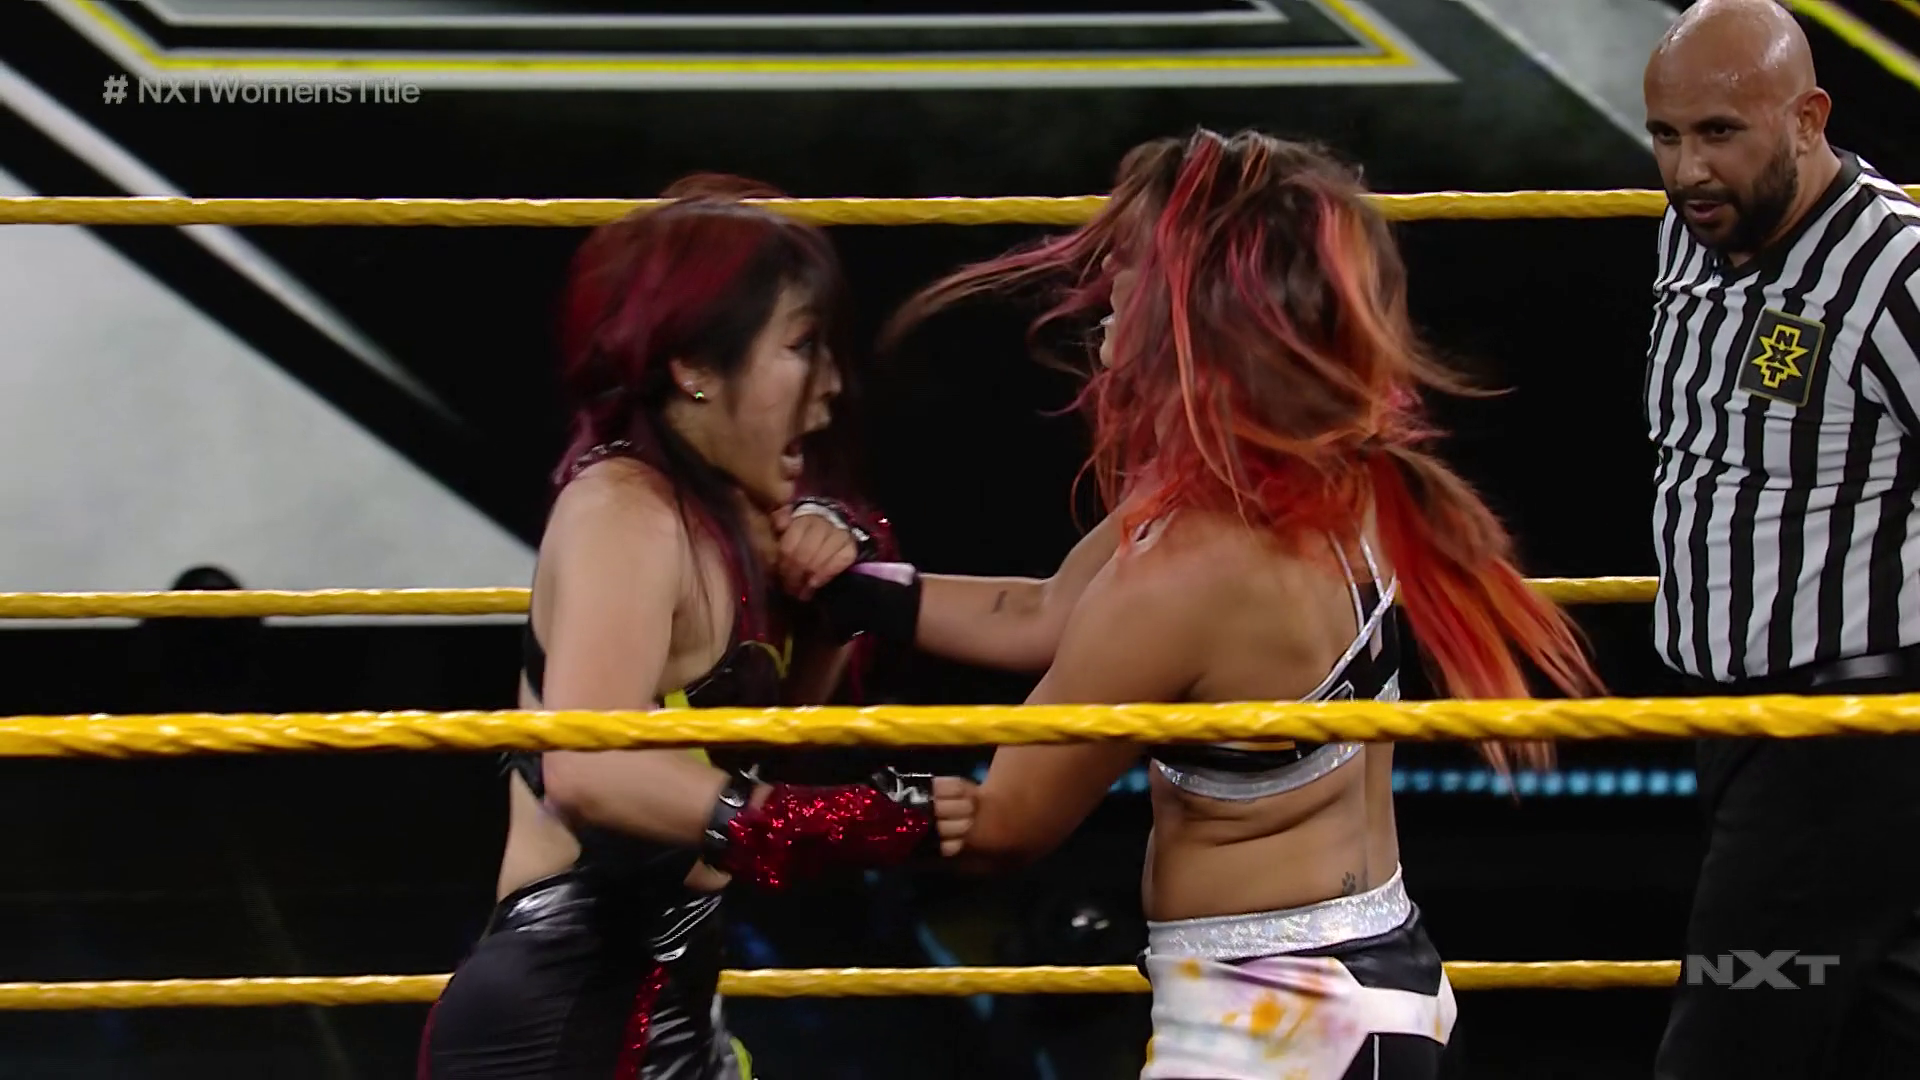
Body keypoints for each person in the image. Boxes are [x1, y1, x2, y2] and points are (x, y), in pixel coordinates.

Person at [813, 129, 1604, 1080]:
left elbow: (1003, 825)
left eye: (1134, 264)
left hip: (1283, 1028)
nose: (1107, 284)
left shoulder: (1192, 573)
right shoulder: (1323, 477)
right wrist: (848, 590)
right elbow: (1045, 615)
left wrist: (759, 818)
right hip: (1365, 982)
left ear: (1201, 307)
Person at [418, 176, 969, 1080]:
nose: (831, 387)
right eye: (802, 346)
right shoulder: (624, 511)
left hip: (673, 997)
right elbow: (592, 770)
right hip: (563, 1020)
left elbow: (755, 755)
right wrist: (843, 823)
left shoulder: (730, 523)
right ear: (694, 368)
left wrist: (828, 606)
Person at [1638, 2, 1920, 1076]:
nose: (1689, 169)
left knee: (1730, 1040)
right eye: (1666, 136)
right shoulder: (1692, 226)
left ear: (1808, 119)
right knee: (1879, 1029)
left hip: (1842, 737)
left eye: (1720, 132)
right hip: (1737, 725)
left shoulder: (1895, 272)